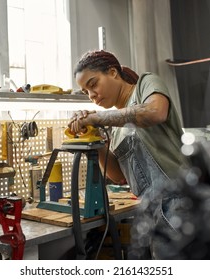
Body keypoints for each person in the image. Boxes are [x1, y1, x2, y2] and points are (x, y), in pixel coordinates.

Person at [68, 50, 192, 259]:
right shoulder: (115, 127)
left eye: (93, 84)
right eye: (85, 92)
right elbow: (118, 176)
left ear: (113, 72)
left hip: (180, 203)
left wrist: (97, 119)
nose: (91, 95)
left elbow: (156, 112)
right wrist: (95, 139)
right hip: (151, 211)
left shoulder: (146, 84)